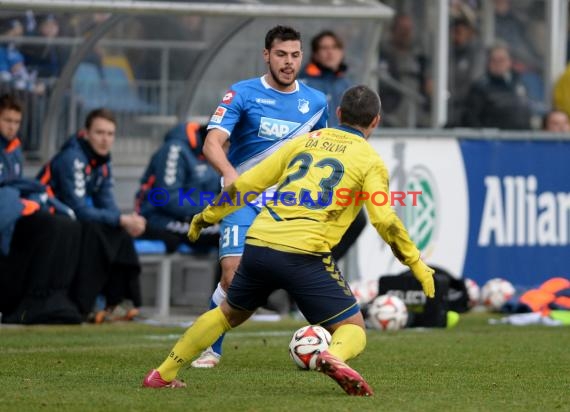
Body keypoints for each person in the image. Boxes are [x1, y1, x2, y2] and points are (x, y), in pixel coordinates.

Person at [142, 85, 436, 395]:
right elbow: (384, 219)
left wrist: (208, 215)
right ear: (375, 121)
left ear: (338, 114)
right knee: (353, 328)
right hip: (305, 255)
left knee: (229, 313)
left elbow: (250, 182)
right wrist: (415, 263)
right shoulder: (370, 160)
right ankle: (331, 356)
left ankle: (162, 374)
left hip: (258, 244)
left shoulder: (304, 142)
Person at [192, 25, 328, 368]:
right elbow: (212, 143)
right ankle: (211, 348)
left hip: (286, 204)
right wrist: (230, 174)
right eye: (281, 54)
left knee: (299, 277)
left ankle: (332, 340)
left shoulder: (315, 102)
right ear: (267, 55)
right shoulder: (241, 93)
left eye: (295, 55)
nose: (288, 62)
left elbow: (322, 151)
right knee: (232, 276)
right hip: (242, 199)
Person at [37, 108, 146, 322]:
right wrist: (119, 219)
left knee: (118, 232)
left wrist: (125, 222)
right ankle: (87, 303)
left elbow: (106, 203)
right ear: (86, 133)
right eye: (99, 133)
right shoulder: (73, 157)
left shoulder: (102, 162)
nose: (105, 140)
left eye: (110, 134)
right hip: (47, 218)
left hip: (70, 219)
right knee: (95, 231)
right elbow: (78, 208)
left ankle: (118, 300)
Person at [0, 94, 82, 324]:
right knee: (51, 226)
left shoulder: (15, 148)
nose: (12, 127)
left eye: (16, 122)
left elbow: (14, 184)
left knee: (67, 225)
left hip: (16, 209)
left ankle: (51, 299)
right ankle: (30, 300)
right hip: (9, 214)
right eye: (7, 120)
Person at [135, 121, 220, 252]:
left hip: (190, 218)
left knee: (236, 231)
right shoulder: (174, 149)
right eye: (226, 145)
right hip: (158, 219)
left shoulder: (210, 154)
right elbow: (168, 198)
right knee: (225, 234)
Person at [462, 43, 532, 130]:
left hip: (519, 139)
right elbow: (471, 119)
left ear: (509, 62)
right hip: (494, 141)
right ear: (488, 63)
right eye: (494, 60)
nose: (498, 64)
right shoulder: (480, 87)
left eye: (501, 60)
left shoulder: (520, 83)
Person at [300, 30, 352, 128]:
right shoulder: (302, 84)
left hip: (343, 141)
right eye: (324, 48)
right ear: (315, 54)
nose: (330, 52)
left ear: (341, 52)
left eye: (335, 47)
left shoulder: (346, 84)